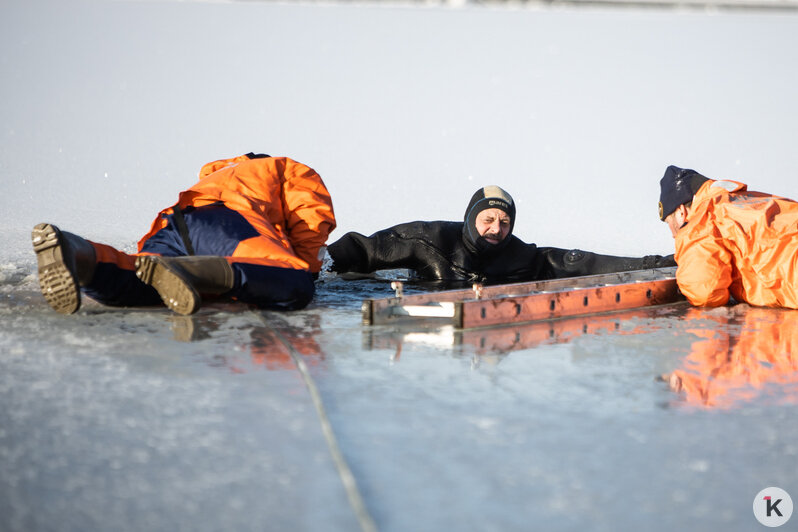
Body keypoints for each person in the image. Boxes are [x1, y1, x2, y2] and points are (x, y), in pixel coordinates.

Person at [32, 153, 336, 315]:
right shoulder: (283, 168)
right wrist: (306, 270)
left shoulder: (218, 176)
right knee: (293, 285)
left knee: (139, 282)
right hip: (228, 221)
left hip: (175, 222)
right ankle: (181, 271)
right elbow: (312, 220)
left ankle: (79, 254)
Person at [327, 185, 674, 285]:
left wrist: (656, 264)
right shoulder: (429, 239)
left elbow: (579, 263)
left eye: (505, 222)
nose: (496, 229)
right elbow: (364, 248)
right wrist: (320, 262)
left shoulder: (520, 256)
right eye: (488, 219)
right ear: (471, 218)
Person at [658, 164, 798, 308]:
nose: (673, 235)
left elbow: (705, 291)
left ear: (681, 212)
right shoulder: (755, 199)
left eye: (669, 222)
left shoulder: (702, 220)